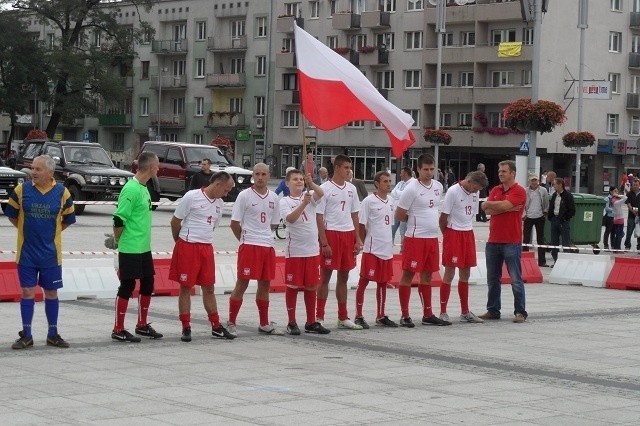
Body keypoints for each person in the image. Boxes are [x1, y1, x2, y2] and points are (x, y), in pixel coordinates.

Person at [5, 155, 76, 349]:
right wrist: (26, 231)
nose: (33, 172)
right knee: (27, 291)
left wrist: (51, 233)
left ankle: (53, 334)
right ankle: (26, 334)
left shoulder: (62, 193)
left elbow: (68, 219)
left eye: (37, 169)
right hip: (26, 253)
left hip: (51, 255)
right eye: (32, 169)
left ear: (50, 172)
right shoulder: (22, 190)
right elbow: (11, 215)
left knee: (51, 293)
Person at [170, 171, 236, 342]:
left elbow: (212, 226)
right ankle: (185, 326)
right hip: (187, 246)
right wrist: (180, 241)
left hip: (206, 247)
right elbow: (175, 221)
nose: (226, 193)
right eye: (226, 189)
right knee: (186, 287)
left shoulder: (219, 204)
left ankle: (216, 326)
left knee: (209, 287)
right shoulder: (192, 196)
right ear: (218, 184)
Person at [111, 151, 164, 342]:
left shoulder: (144, 188)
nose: (158, 169)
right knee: (127, 285)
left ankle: (142, 324)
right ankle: (118, 328)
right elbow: (118, 218)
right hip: (130, 246)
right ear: (151, 167)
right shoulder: (131, 189)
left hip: (143, 247)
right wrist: (117, 241)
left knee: (148, 283)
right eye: (157, 165)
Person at [227, 163, 283, 336]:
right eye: (257, 174)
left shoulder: (274, 197)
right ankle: (231, 322)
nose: (260, 177)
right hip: (250, 245)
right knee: (242, 283)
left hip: (267, 245)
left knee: (265, 284)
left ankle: (264, 323)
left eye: (263, 174)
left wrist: (263, 237)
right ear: (253, 175)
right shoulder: (244, 196)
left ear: (268, 175)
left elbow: (273, 224)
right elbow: (234, 223)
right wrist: (245, 240)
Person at [395, 153, 450, 327]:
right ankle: (405, 315)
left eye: (432, 169)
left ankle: (428, 314)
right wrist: (415, 221)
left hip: (432, 238)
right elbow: (399, 214)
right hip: (415, 238)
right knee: (408, 275)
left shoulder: (438, 186)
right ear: (418, 169)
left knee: (427, 275)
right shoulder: (411, 188)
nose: (429, 172)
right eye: (425, 169)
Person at [279, 169, 330, 335]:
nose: (299, 182)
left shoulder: (309, 194)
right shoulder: (285, 201)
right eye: (295, 179)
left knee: (311, 286)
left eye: (301, 179)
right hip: (295, 251)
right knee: (293, 286)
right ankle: (291, 321)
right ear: (287, 183)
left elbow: (321, 192)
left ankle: (311, 321)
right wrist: (303, 204)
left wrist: (311, 183)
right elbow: (290, 219)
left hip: (312, 250)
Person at [316, 154, 364, 330]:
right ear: (337, 168)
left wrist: (357, 239)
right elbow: (319, 216)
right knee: (325, 277)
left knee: (344, 276)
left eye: (349, 168)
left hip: (347, 234)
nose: (348, 171)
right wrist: (324, 242)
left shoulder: (351, 188)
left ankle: (343, 317)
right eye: (345, 167)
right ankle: (319, 316)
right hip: (332, 234)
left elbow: (355, 215)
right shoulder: (325, 188)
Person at [479, 160, 527, 323]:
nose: (500, 173)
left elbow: (500, 206)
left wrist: (492, 206)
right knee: (492, 279)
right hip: (493, 241)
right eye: (500, 171)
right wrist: (498, 207)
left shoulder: (519, 191)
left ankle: (520, 311)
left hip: (511, 241)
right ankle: (493, 310)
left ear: (513, 173)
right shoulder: (495, 189)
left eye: (504, 171)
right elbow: (487, 208)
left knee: (515, 278)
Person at [438, 171, 488, 324]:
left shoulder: (475, 192)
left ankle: (465, 311)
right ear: (469, 181)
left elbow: (471, 213)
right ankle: (443, 312)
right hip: (453, 233)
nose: (475, 191)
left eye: (478, 189)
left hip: (468, 233)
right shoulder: (453, 191)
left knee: (465, 272)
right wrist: (447, 236)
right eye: (475, 187)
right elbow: (443, 218)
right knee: (449, 272)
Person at [354, 171, 398, 328]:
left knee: (383, 282)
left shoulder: (392, 201)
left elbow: (389, 224)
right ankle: (358, 315)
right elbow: (361, 224)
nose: (388, 184)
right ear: (377, 184)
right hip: (372, 248)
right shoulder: (368, 201)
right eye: (385, 181)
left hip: (386, 248)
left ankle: (381, 315)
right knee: (364, 280)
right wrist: (362, 241)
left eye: (389, 181)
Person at [523, 174, 550, 267]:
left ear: (538, 181)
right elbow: (522, 203)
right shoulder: (525, 191)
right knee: (526, 238)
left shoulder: (543, 190)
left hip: (539, 216)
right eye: (532, 180)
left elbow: (546, 202)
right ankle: (524, 259)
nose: (534, 182)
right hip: (528, 217)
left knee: (540, 239)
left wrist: (545, 212)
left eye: (535, 180)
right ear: (529, 181)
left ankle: (542, 261)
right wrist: (524, 214)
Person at [547, 178, 575, 264]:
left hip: (563, 221)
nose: (553, 186)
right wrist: (550, 217)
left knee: (565, 242)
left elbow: (572, 210)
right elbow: (551, 207)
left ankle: (566, 262)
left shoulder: (568, 196)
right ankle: (556, 261)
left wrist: (565, 218)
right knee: (554, 242)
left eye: (554, 184)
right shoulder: (554, 195)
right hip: (554, 219)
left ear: (559, 185)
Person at [390, 166, 414, 248]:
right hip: (396, 210)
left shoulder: (413, 183)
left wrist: (399, 193)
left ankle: (403, 249)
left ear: (406, 173)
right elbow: (393, 193)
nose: (400, 175)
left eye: (401, 173)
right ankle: (389, 246)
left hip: (405, 212)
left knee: (403, 231)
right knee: (391, 229)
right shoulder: (400, 183)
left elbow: (405, 195)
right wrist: (399, 193)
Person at [624, 179, 640, 252]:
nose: (635, 186)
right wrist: (633, 211)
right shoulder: (629, 194)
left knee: (639, 232)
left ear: (639, 185)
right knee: (629, 232)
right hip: (631, 216)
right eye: (634, 185)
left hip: (639, 217)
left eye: (636, 185)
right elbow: (628, 204)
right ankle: (627, 245)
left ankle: (639, 246)